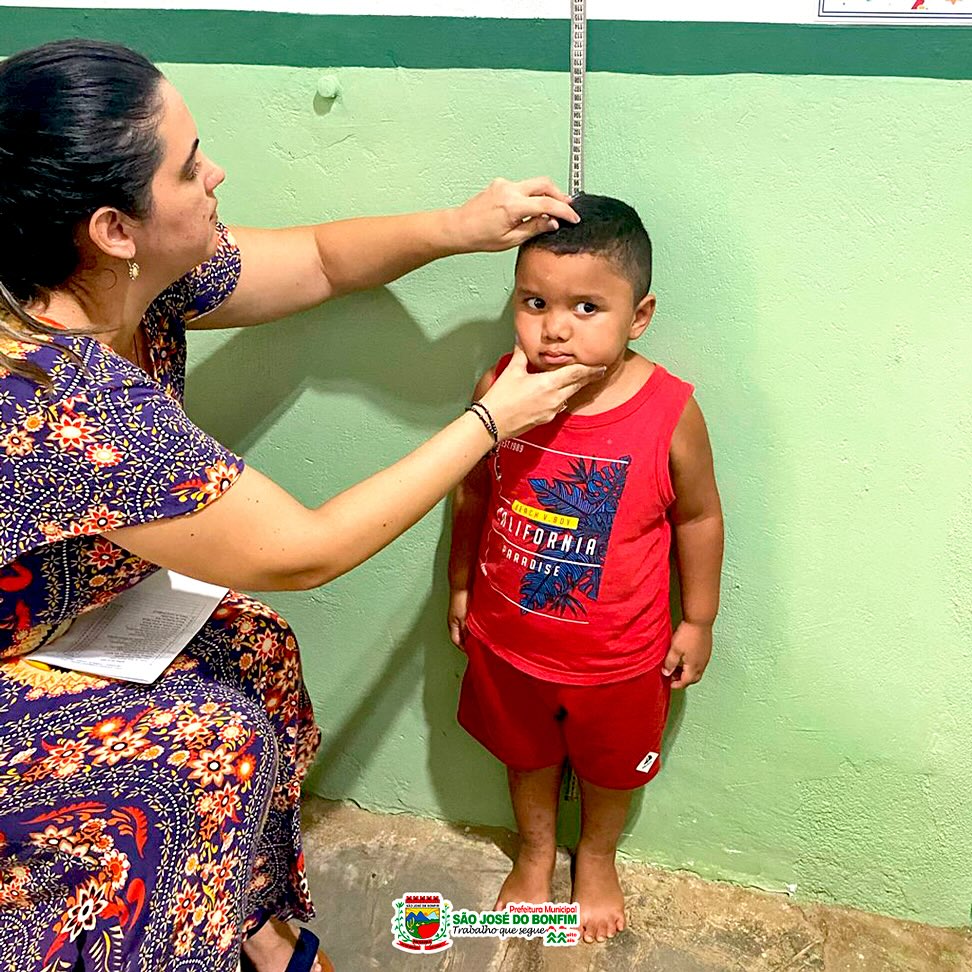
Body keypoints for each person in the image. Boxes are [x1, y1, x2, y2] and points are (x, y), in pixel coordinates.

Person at [0, 38, 605, 972]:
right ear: (115, 227)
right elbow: (306, 549)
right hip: (22, 656)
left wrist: (458, 224)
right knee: (209, 752)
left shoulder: (123, 281)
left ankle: (254, 925)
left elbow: (319, 260)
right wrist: (494, 417)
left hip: (68, 613)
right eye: (190, 163)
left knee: (254, 647)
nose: (216, 173)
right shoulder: (61, 394)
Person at [447, 194, 724, 945]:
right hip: (509, 643)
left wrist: (698, 620)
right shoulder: (498, 386)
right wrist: (462, 582)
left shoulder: (668, 412)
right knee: (525, 757)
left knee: (609, 771)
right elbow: (472, 489)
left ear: (639, 316)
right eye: (535, 301)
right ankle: (536, 851)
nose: (555, 326)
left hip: (620, 659)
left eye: (586, 307)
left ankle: (595, 857)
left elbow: (699, 517)